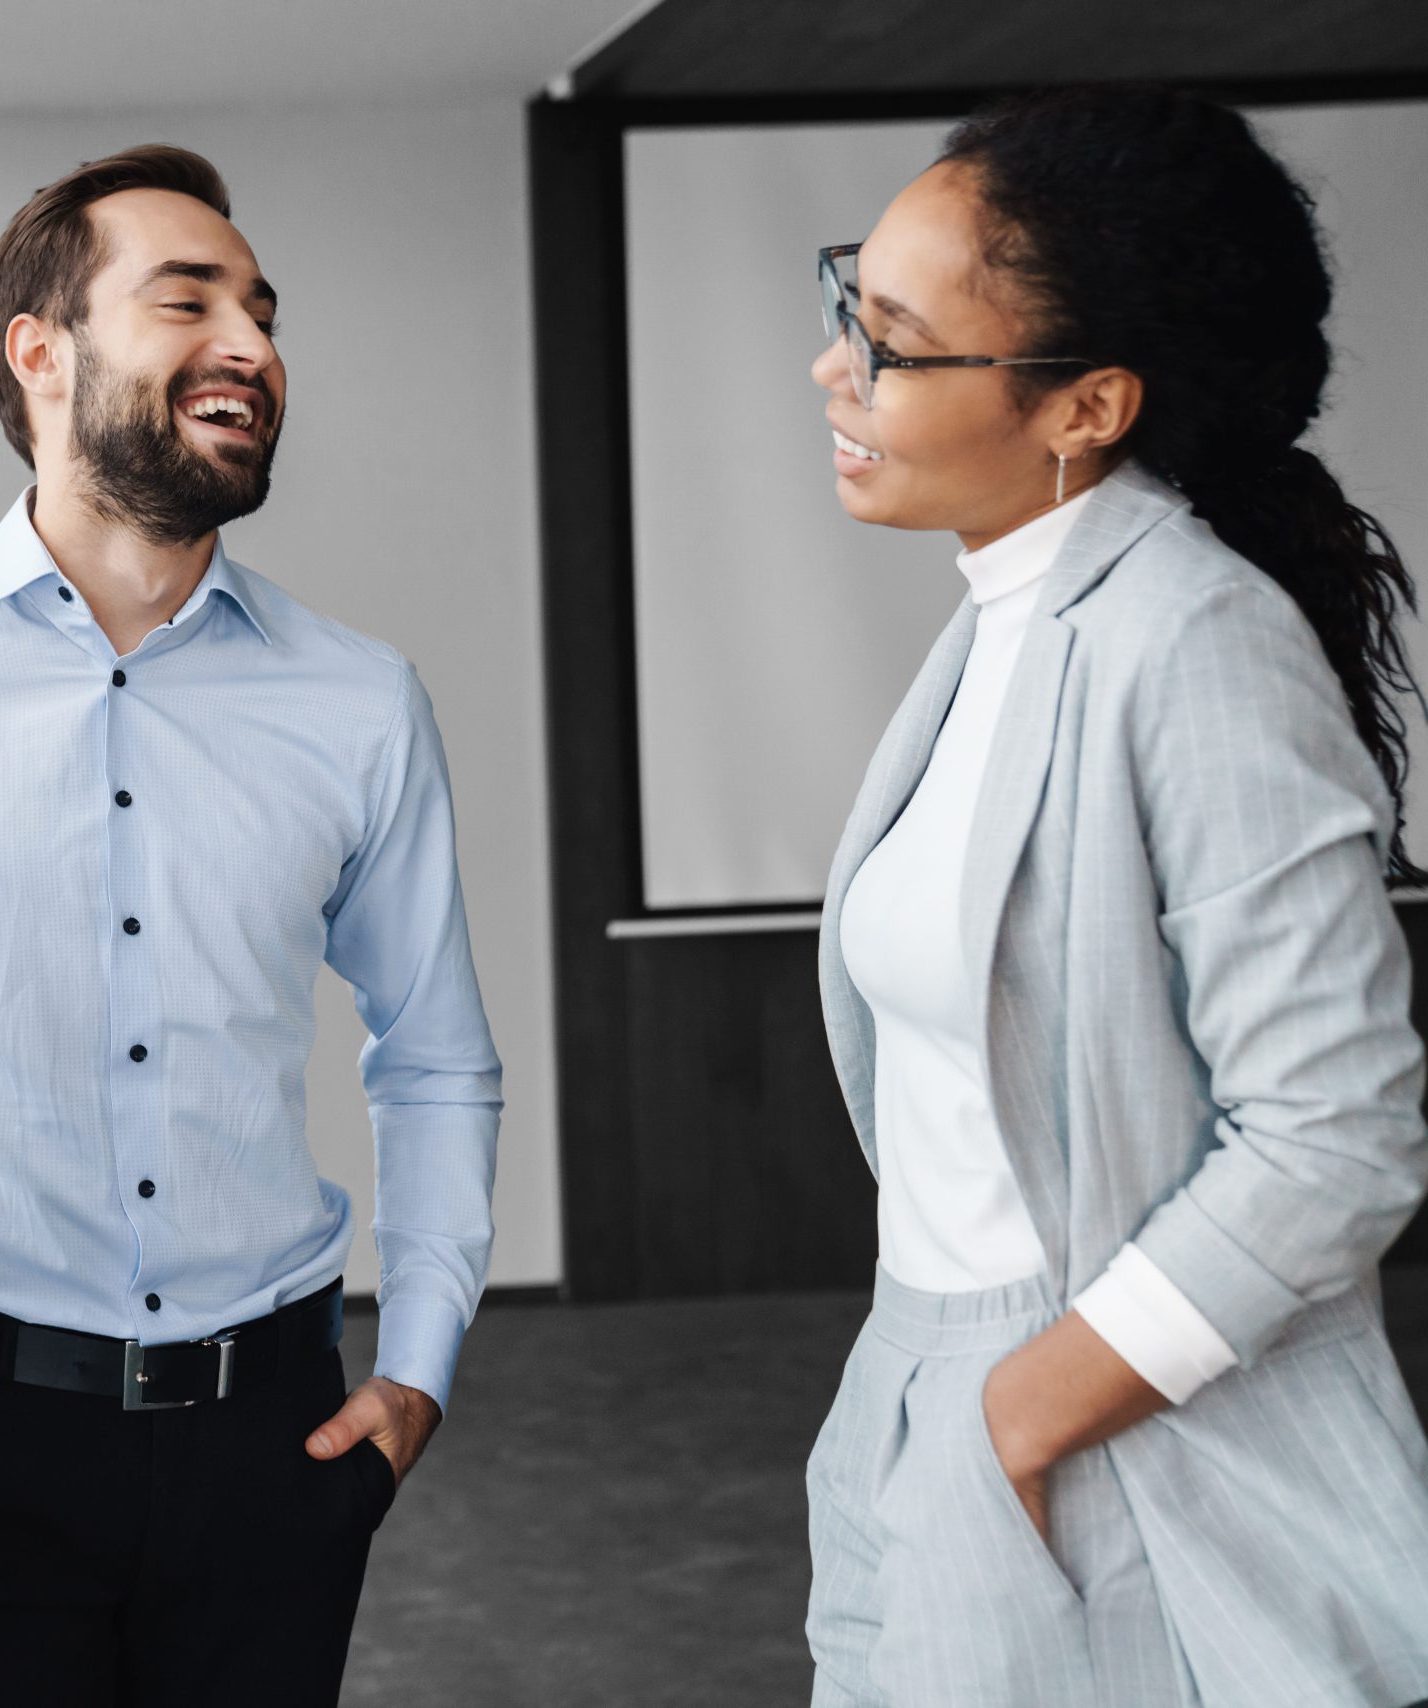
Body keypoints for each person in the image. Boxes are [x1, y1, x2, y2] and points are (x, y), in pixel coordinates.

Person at [0, 144, 503, 1706]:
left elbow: (434, 1056)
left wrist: (417, 1366)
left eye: (264, 311)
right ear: (43, 351)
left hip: (269, 1444)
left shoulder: (359, 702)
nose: (255, 345)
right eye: (189, 300)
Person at [803, 84, 1428, 1708]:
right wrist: (930, 1407)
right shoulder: (1004, 616)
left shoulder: (1193, 640)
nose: (834, 372)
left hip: (1097, 1425)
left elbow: (1336, 1137)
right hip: (913, 1379)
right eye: (844, 308)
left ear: (1087, 406)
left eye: (892, 340)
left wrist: (1016, 1415)